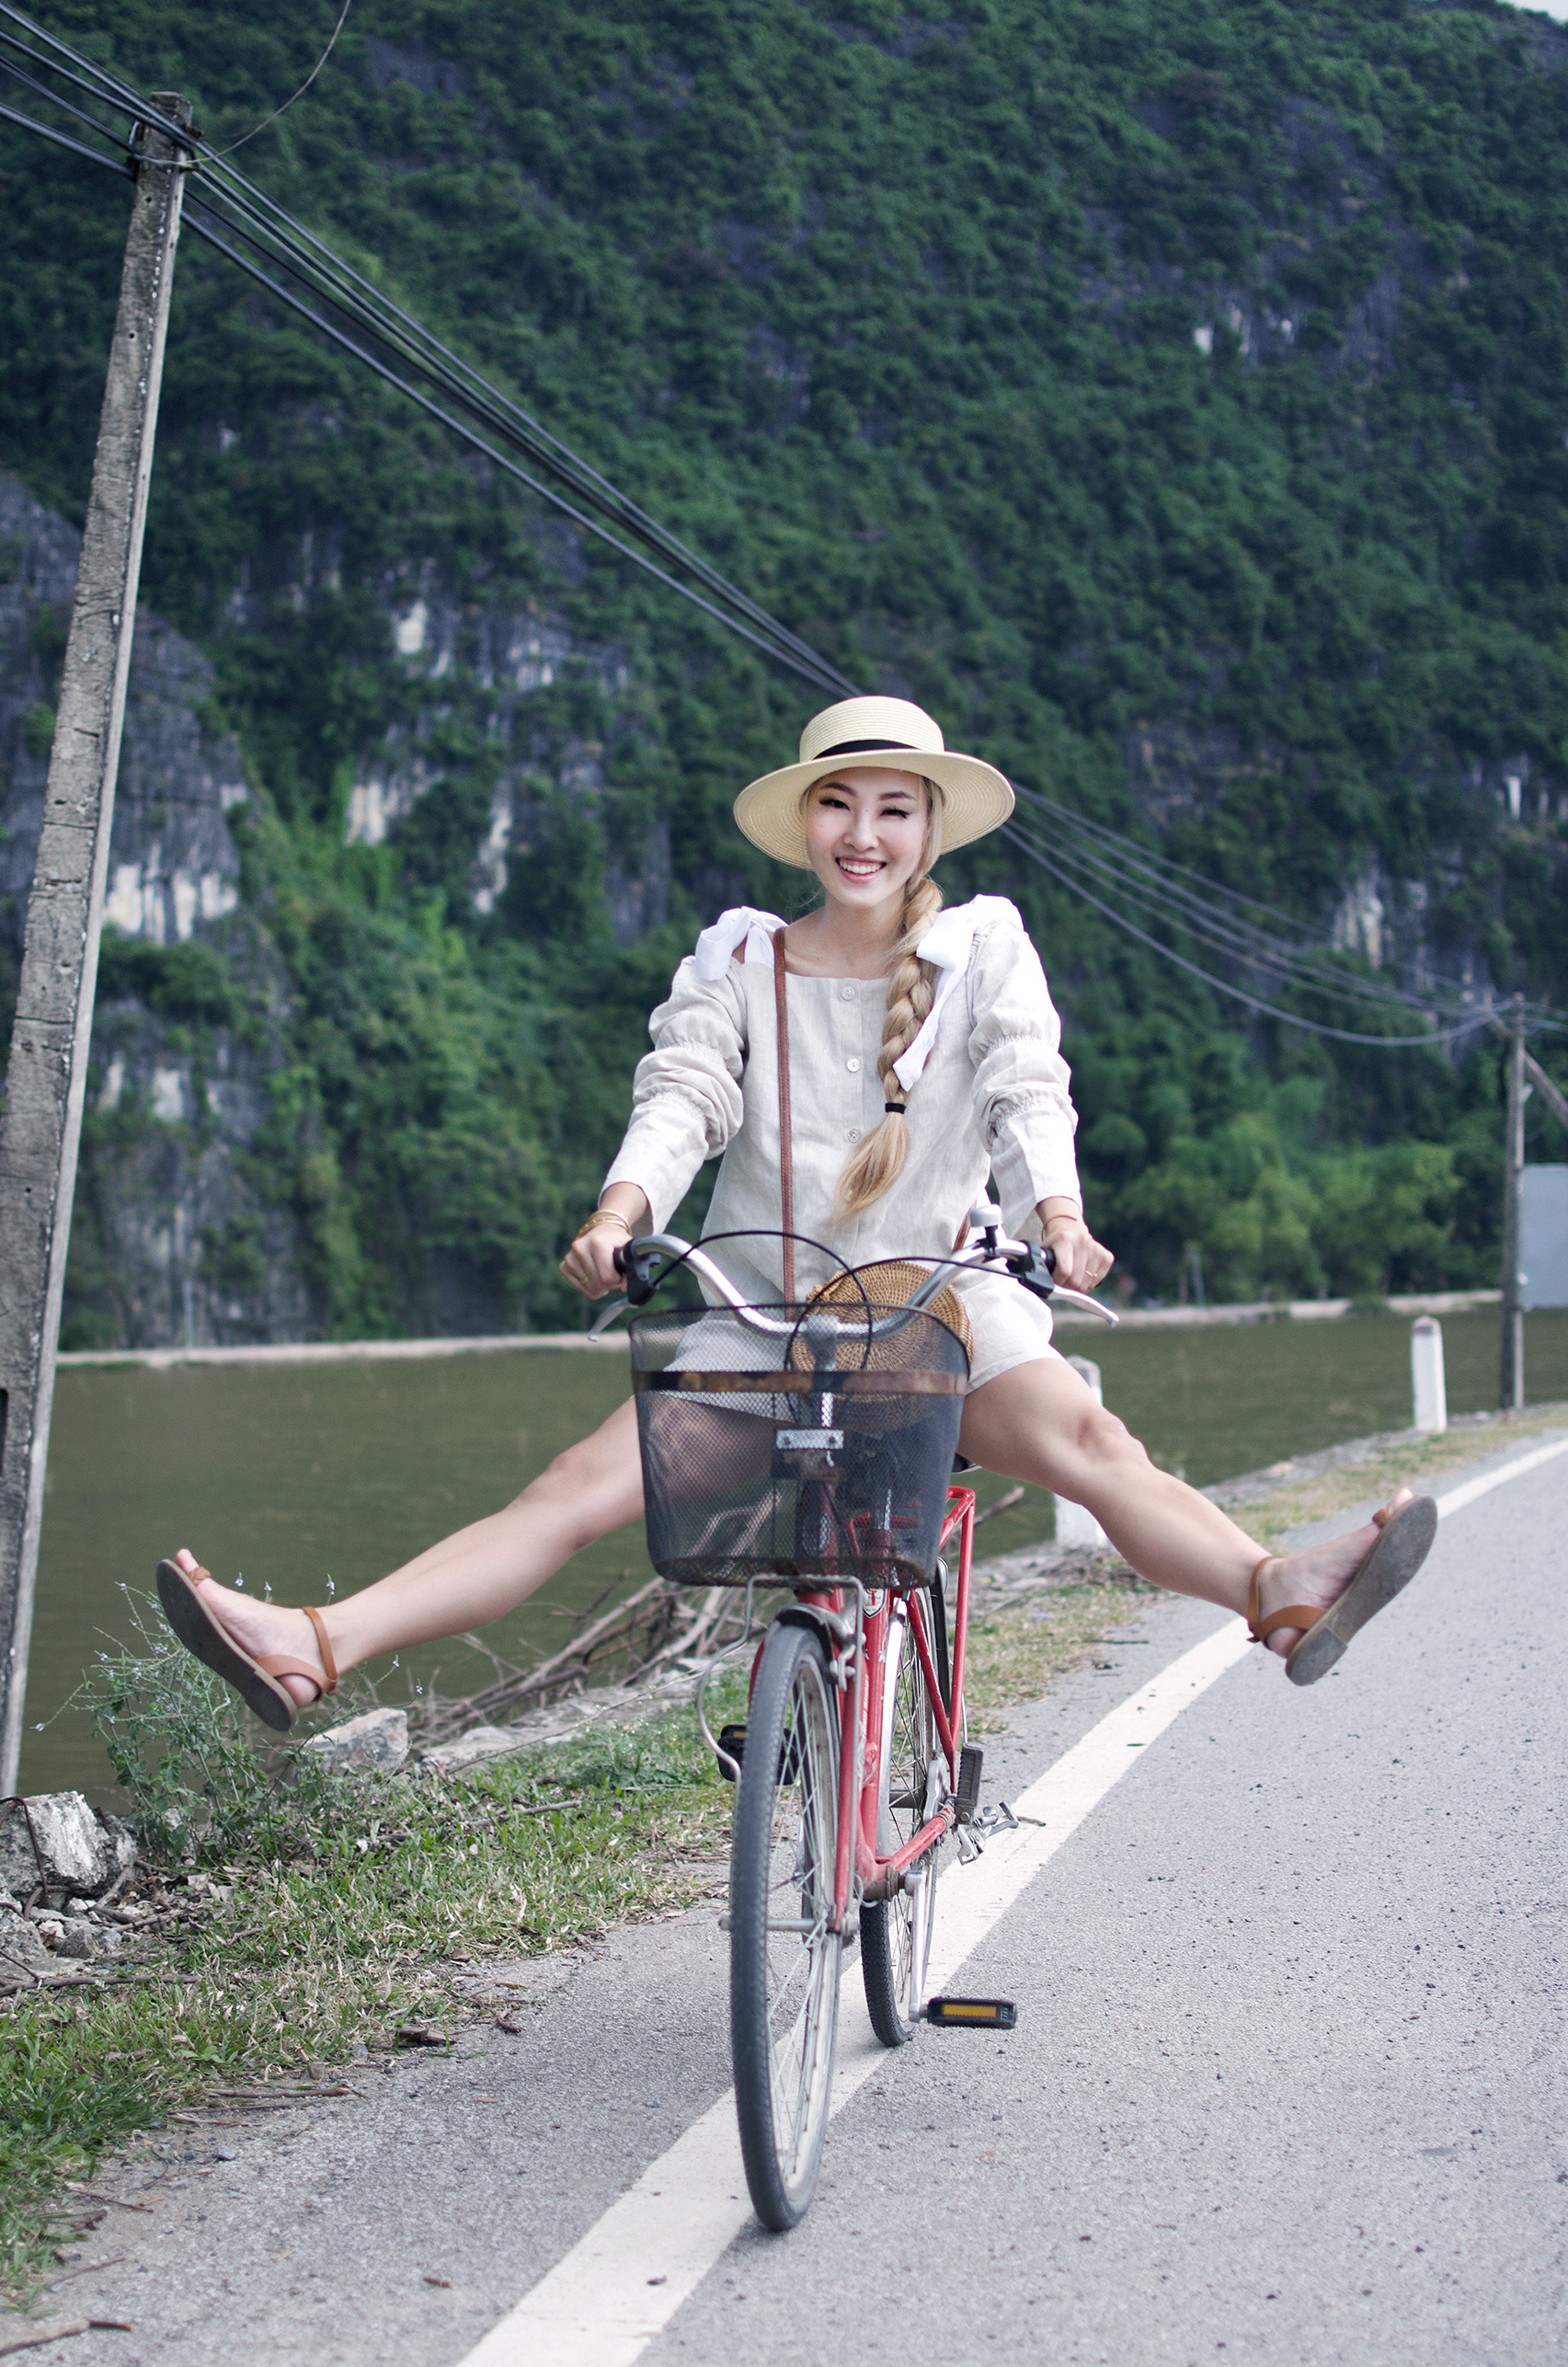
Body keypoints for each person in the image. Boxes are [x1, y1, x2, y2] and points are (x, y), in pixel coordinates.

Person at [157, 696, 1436, 1727]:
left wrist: (1058, 1211)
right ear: (804, 821)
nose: (863, 833)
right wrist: (620, 1213)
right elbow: (684, 1094)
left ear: (931, 831)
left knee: (1094, 1450)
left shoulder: (983, 947)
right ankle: (315, 1643)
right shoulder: (741, 956)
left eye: (893, 809)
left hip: (940, 1301)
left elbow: (1023, 1083)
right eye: (839, 803)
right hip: (759, 1310)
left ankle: (1278, 1592)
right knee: (568, 1492)